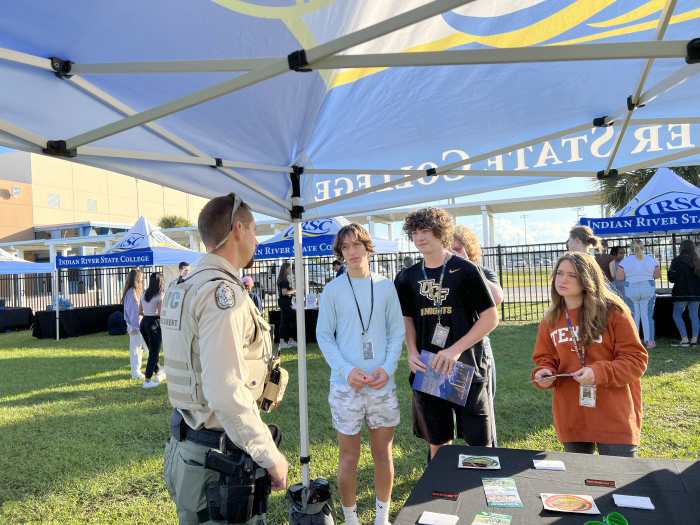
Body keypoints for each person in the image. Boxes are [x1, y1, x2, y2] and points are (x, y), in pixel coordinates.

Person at [160, 193, 288, 525]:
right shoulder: (223, 295)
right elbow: (226, 390)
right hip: (217, 463)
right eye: (255, 230)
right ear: (238, 229)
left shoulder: (186, 284)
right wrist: (269, 454)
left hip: (190, 449)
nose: (257, 240)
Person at [316, 223, 405, 525]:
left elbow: (397, 331)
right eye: (345, 247)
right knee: (348, 458)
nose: (352, 252)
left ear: (367, 247)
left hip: (382, 384)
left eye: (357, 245)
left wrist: (388, 367)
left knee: (384, 454)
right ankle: (351, 519)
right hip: (346, 387)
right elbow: (324, 336)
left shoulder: (385, 286)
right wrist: (345, 370)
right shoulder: (333, 289)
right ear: (340, 253)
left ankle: (382, 518)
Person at [395, 207, 499, 461]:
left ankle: (478, 496)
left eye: (426, 231)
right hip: (429, 368)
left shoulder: (466, 270)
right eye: (415, 232)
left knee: (478, 445)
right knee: (439, 442)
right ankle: (440, 497)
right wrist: (411, 352)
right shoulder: (407, 277)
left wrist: (455, 350)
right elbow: (407, 318)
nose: (420, 237)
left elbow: (490, 317)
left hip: (467, 368)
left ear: (441, 233)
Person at [532, 252, 648, 457]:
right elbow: (545, 358)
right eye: (559, 273)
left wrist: (599, 372)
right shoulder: (550, 319)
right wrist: (544, 373)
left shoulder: (614, 313)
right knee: (580, 482)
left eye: (572, 275)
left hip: (614, 413)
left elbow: (636, 361)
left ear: (587, 279)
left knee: (619, 480)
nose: (563, 280)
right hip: (572, 415)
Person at [451, 224, 503, 446]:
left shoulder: (481, 271)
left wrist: (468, 265)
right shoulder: (440, 273)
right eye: (447, 248)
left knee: (481, 414)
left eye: (457, 248)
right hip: (447, 352)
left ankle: (488, 466)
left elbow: (497, 297)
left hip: (476, 351)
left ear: (468, 249)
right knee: (443, 419)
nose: (452, 253)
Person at [616, 239, 661, 350]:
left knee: (634, 316)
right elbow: (657, 275)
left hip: (631, 288)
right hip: (648, 287)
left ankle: (635, 342)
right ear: (643, 247)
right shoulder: (652, 260)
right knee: (647, 316)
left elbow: (619, 278)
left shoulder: (624, 262)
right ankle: (650, 342)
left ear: (631, 248)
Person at [668, 239, 700, 346]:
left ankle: (685, 339)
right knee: (694, 316)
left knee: (677, 315)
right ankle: (694, 340)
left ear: (681, 248)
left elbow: (671, 278)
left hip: (681, 293)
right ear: (693, 248)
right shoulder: (697, 261)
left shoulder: (677, 260)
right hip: (696, 293)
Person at [139, 272, 166, 388]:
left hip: (144, 322)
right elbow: (160, 313)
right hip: (154, 323)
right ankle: (147, 380)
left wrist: (149, 313)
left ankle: (158, 373)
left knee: (152, 351)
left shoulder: (144, 293)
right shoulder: (161, 295)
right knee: (154, 353)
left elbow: (140, 311)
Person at [122, 268, 145, 380]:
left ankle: (137, 372)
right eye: (141, 277)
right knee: (136, 350)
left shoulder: (132, 292)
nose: (142, 279)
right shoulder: (132, 293)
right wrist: (135, 327)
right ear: (137, 279)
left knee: (138, 349)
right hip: (135, 326)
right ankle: (135, 373)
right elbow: (133, 312)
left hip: (136, 325)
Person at [277, 262, 297, 349]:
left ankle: (290, 340)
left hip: (284, 302)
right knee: (286, 321)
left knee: (288, 321)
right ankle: (283, 342)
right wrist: (294, 291)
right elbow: (284, 292)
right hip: (286, 303)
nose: (290, 270)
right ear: (285, 269)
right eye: (289, 268)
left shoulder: (282, 279)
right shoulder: (284, 280)